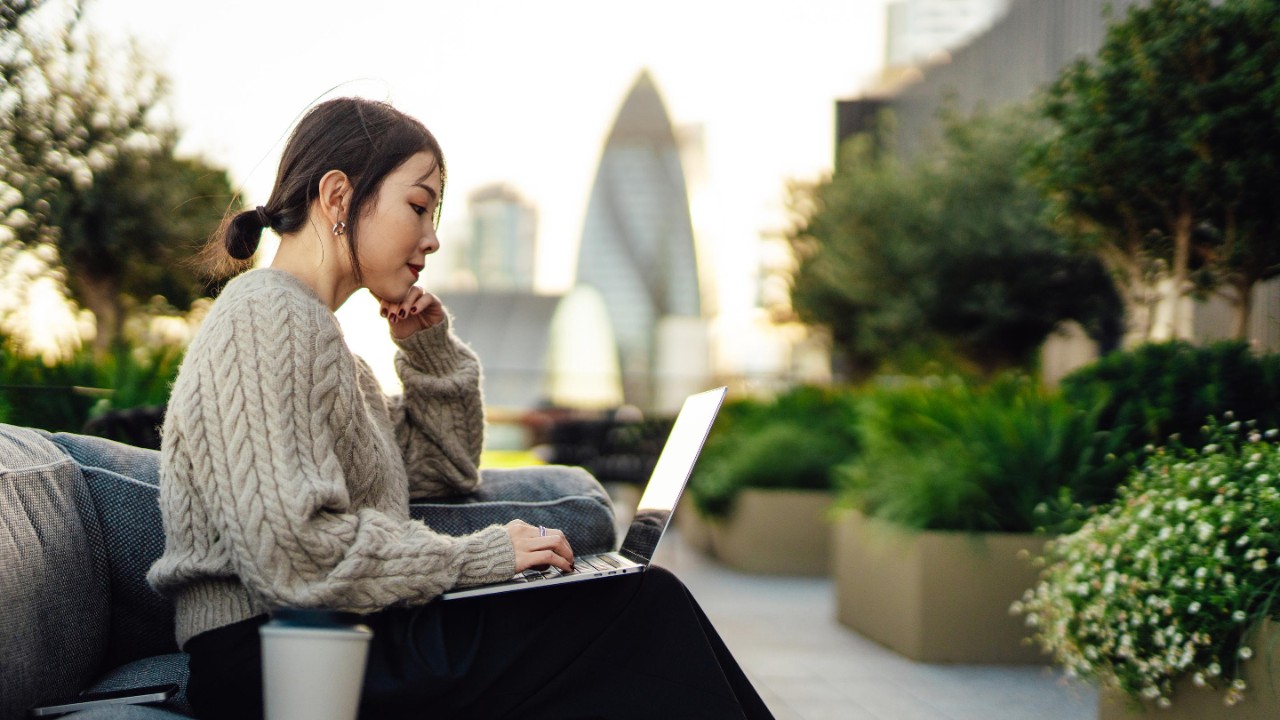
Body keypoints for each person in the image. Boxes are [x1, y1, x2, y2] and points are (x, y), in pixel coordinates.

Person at [147, 96, 774, 720]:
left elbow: (442, 472)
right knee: (639, 606)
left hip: (326, 636)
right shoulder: (265, 316)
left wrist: (430, 352)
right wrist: (483, 557)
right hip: (275, 655)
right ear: (338, 197)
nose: (433, 238)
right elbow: (294, 557)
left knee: (634, 607)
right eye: (418, 207)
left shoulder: (323, 342)